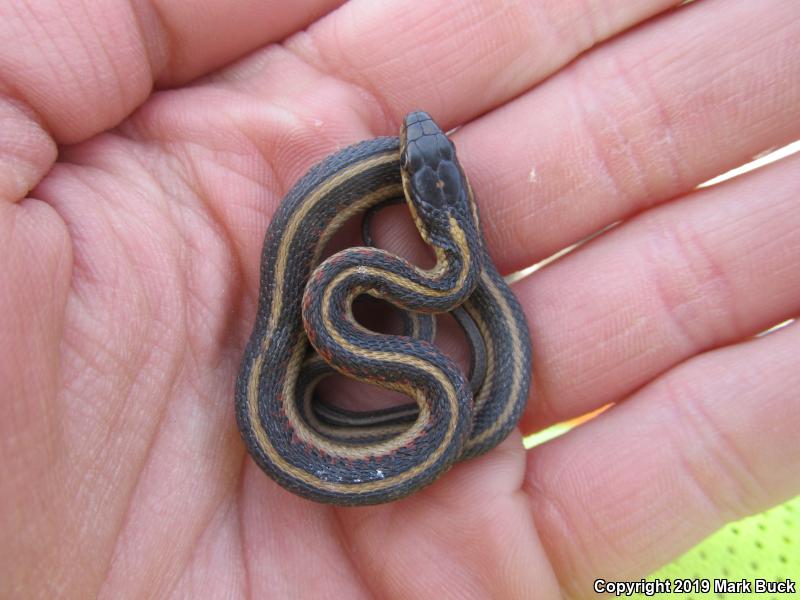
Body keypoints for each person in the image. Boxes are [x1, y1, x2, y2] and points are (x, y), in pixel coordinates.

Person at [1, 1, 798, 597]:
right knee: (447, 396)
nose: (421, 136)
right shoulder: (391, 282)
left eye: (430, 156)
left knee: (453, 400)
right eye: (426, 157)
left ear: (433, 209)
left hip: (389, 384)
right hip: (342, 408)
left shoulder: (396, 284)